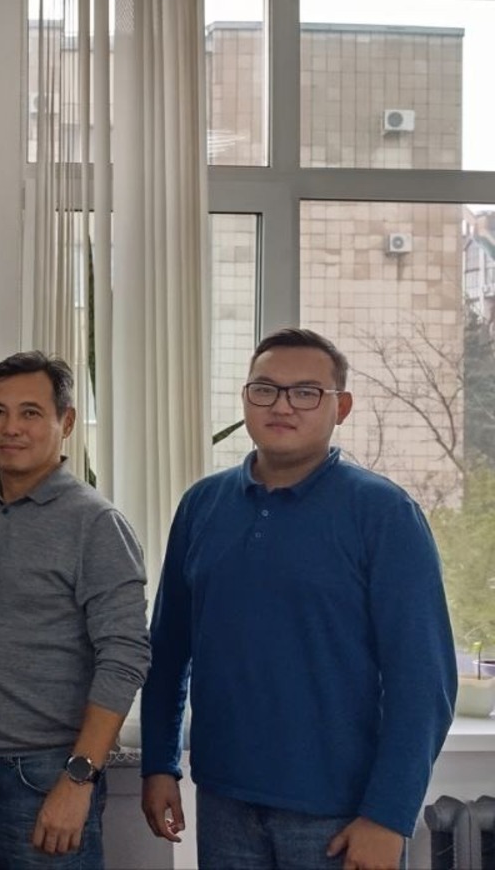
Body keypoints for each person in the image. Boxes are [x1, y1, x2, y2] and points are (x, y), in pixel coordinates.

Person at [140, 328, 457, 870]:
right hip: (223, 798)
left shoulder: (384, 514)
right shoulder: (202, 505)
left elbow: (423, 680)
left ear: (341, 407)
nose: (282, 405)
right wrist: (159, 763)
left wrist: (388, 816)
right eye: (265, 389)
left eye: (306, 392)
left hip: (342, 813)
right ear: (246, 398)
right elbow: (168, 652)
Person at [0, 351, 149, 869]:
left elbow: (125, 655)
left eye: (31, 413)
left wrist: (78, 779)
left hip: (44, 776)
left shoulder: (96, 522)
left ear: (67, 421)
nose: (10, 428)